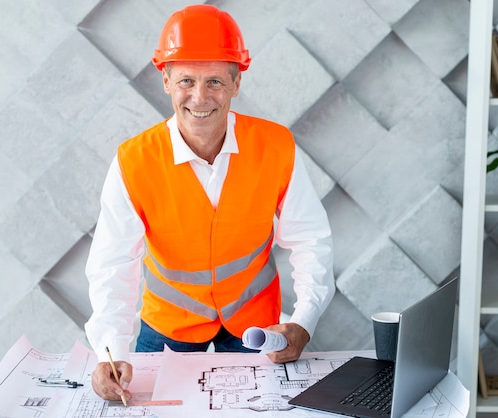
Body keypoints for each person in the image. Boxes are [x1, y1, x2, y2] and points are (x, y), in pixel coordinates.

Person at [84, 4, 335, 402]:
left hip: (255, 324)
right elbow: (113, 262)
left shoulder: (276, 146)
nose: (200, 97)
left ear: (236, 84)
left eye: (215, 81)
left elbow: (310, 240)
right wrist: (109, 350)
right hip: (167, 327)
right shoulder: (134, 160)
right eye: (186, 80)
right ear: (165, 80)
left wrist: (304, 319)